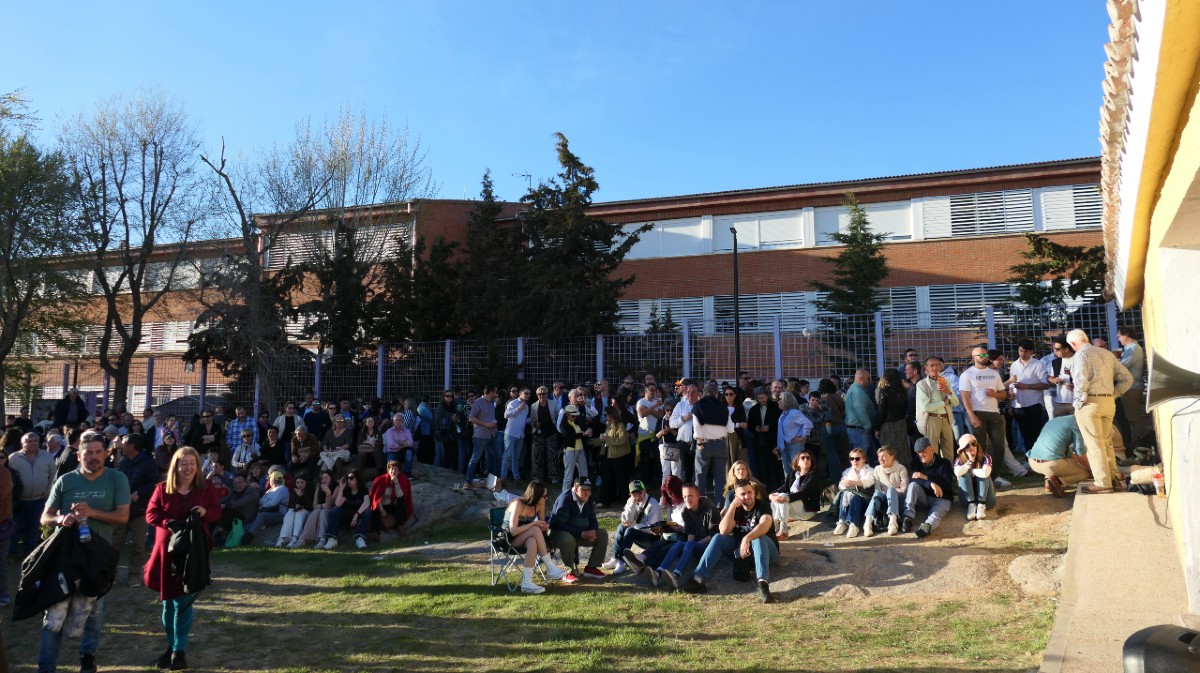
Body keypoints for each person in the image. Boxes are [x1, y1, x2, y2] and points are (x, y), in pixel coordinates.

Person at [38, 430, 131, 673]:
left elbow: (122, 516)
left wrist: (91, 512)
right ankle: (46, 667)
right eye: (88, 453)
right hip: (65, 557)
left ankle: (87, 658)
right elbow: (45, 516)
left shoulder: (117, 479)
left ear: (106, 454)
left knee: (95, 611)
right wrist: (61, 519)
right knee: (54, 613)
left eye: (98, 452)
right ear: (79, 455)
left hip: (99, 557)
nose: (93, 457)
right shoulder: (66, 480)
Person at [143, 446, 221, 671]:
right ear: (175, 466)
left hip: (192, 553)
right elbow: (151, 513)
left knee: (183, 603)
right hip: (165, 552)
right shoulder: (162, 489)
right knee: (168, 603)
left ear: (197, 466)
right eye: (183, 463)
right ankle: (171, 646)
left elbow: (216, 511)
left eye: (192, 463)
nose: (188, 467)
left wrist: (205, 513)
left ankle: (179, 650)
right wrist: (167, 522)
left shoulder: (205, 489)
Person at [682, 479, 779, 603]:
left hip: (767, 550)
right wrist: (732, 506)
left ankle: (763, 585)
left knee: (758, 539)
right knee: (718, 537)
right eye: (743, 494)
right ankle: (698, 579)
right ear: (736, 496)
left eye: (749, 492)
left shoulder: (763, 506)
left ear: (754, 492)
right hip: (743, 552)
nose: (747, 496)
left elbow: (765, 524)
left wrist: (747, 538)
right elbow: (723, 531)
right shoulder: (735, 509)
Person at [1066, 329, 1134, 494]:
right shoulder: (1107, 353)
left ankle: (1103, 483)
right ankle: (1115, 477)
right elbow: (1127, 378)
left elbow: (1080, 381)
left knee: (1094, 444)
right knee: (1107, 442)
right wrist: (1113, 395)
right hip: (1108, 401)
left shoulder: (1079, 356)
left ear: (1073, 344)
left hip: (1089, 403)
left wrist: (1078, 403)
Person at [504, 481, 569, 593]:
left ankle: (527, 583)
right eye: (544, 496)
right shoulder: (517, 504)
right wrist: (534, 524)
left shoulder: (539, 505)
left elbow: (541, 524)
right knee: (534, 529)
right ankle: (550, 567)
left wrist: (544, 526)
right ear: (536, 496)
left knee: (532, 541)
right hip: (509, 540)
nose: (546, 498)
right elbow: (513, 531)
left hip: (526, 537)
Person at [654, 481, 720, 590]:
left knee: (689, 545)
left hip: (709, 547)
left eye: (690, 496)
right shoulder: (686, 511)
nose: (687, 500)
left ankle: (676, 575)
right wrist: (689, 545)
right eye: (684, 497)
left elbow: (714, 536)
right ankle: (658, 572)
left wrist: (692, 545)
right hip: (695, 544)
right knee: (680, 544)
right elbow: (690, 534)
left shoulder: (711, 510)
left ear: (698, 496)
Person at [114, 434, 157, 588]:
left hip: (139, 510)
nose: (121, 446)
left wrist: (139, 493)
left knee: (139, 545)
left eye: (124, 443)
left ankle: (133, 575)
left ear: (132, 446)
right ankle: (110, 574)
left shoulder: (148, 463)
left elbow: (155, 483)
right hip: (121, 509)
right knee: (115, 544)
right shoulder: (124, 462)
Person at [548, 476, 608, 581]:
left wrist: (593, 531)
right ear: (576, 488)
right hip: (559, 535)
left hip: (580, 534)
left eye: (589, 490)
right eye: (584, 489)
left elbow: (593, 519)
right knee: (567, 539)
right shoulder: (566, 499)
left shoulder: (588, 499)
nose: (587, 493)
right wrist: (581, 533)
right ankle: (568, 572)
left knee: (602, 534)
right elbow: (559, 524)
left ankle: (591, 568)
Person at [9, 431, 57, 562]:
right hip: (19, 501)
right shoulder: (13, 458)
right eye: (29, 441)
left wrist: (49, 490)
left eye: (35, 441)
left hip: (38, 500)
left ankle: (29, 553)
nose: (32, 444)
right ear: (22, 443)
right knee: (16, 528)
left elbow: (53, 475)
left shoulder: (46, 456)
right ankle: (12, 553)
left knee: (33, 527)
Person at [605, 480, 664, 574]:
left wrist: (633, 526)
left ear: (645, 491)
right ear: (630, 494)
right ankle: (615, 558)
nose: (638, 496)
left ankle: (622, 562)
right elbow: (626, 520)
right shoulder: (631, 501)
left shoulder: (653, 504)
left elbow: (651, 527)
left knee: (630, 531)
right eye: (634, 494)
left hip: (653, 538)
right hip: (639, 532)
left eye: (640, 493)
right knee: (621, 527)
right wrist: (632, 504)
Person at [1027, 414, 1091, 497]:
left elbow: (1066, 451)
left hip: (1032, 462)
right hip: (1051, 465)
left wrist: (1075, 460)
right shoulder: (1077, 425)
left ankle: (1048, 480)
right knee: (1086, 473)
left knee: (1065, 462)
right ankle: (1058, 481)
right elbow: (1080, 454)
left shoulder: (1055, 421)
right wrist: (1090, 469)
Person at [904, 438, 955, 539]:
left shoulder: (944, 463)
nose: (921, 455)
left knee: (936, 514)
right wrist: (930, 483)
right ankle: (907, 518)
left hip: (942, 498)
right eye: (919, 452)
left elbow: (946, 484)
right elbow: (914, 480)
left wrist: (926, 477)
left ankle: (927, 527)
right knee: (912, 485)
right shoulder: (915, 462)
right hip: (925, 497)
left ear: (932, 449)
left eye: (923, 451)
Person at [1006, 340, 1051, 450]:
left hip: (1034, 403)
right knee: (1024, 433)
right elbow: (1012, 383)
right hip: (1018, 404)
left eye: (1026, 351)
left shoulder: (1038, 364)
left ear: (1031, 351)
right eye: (1021, 351)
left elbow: (1045, 384)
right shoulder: (1014, 365)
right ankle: (1028, 457)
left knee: (1034, 432)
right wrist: (1011, 404)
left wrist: (1027, 386)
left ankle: (1036, 457)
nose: (1023, 354)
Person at [915, 357, 960, 463]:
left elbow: (956, 402)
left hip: (946, 418)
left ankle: (948, 474)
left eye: (937, 365)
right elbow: (926, 407)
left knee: (948, 449)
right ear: (926, 368)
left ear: (941, 366)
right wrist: (943, 403)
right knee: (932, 449)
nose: (935, 368)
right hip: (931, 419)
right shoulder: (921, 384)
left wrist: (947, 391)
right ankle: (934, 474)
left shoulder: (945, 382)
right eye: (931, 365)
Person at [769, 450, 821, 539]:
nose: (806, 460)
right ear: (798, 462)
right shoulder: (793, 474)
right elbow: (783, 488)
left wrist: (787, 498)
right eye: (803, 458)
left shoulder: (813, 475)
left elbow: (804, 493)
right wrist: (772, 495)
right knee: (777, 496)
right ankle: (775, 526)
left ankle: (784, 530)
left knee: (783, 497)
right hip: (794, 508)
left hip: (808, 510)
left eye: (808, 458)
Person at [1116, 326, 1152, 447]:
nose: (1118, 338)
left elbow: (1121, 367)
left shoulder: (1134, 349)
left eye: (1120, 335)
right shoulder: (1130, 348)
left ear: (1126, 335)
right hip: (1130, 388)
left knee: (1134, 418)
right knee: (1131, 418)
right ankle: (1139, 442)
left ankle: (1141, 444)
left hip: (1132, 388)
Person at [317, 470, 371, 550]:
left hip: (358, 518)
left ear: (357, 479)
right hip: (347, 518)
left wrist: (356, 515)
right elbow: (338, 504)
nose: (349, 480)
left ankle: (360, 538)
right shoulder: (346, 491)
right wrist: (341, 487)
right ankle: (332, 539)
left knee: (367, 511)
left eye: (351, 478)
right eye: (347, 478)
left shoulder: (363, 490)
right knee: (335, 510)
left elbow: (367, 503)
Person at [864, 445, 908, 537]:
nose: (881, 459)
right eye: (879, 457)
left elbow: (904, 490)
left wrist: (891, 491)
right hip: (884, 503)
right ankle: (867, 523)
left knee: (891, 490)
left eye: (883, 456)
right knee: (876, 494)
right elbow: (878, 490)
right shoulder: (877, 469)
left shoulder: (901, 468)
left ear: (892, 456)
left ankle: (893, 522)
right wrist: (896, 489)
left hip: (899, 502)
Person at [833, 448, 875, 538]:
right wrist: (846, 484)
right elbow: (841, 484)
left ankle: (854, 524)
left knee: (856, 497)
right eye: (852, 459)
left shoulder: (869, 470)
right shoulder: (847, 471)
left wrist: (853, 482)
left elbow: (868, 482)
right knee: (844, 494)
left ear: (864, 459)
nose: (854, 461)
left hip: (866, 500)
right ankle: (842, 521)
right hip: (849, 497)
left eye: (857, 458)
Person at [953, 434, 996, 521]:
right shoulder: (959, 460)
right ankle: (972, 504)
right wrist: (969, 462)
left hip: (987, 500)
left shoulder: (986, 457)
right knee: (963, 473)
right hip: (967, 501)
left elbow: (985, 473)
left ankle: (981, 504)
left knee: (984, 473)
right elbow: (957, 472)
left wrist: (972, 471)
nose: (971, 447)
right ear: (963, 449)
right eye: (967, 445)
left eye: (973, 443)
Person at [463, 386, 499, 488]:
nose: (496, 394)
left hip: (492, 435)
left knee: (497, 457)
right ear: (490, 392)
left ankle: (494, 481)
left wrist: (493, 426)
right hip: (480, 436)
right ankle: (468, 481)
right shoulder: (478, 402)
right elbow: (471, 418)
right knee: (475, 458)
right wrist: (486, 424)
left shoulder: (492, 403)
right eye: (495, 392)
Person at [775, 391, 814, 485]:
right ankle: (789, 489)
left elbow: (808, 423)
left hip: (795, 446)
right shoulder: (784, 413)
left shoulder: (794, 413)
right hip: (785, 446)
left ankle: (800, 490)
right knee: (788, 471)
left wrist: (802, 437)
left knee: (797, 470)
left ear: (786, 400)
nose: (778, 401)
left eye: (780, 399)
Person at [368, 460, 413, 538]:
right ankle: (375, 531)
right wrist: (381, 509)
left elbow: (401, 496)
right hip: (382, 505)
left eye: (396, 469)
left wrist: (396, 482)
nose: (393, 471)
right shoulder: (380, 479)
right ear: (388, 470)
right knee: (375, 509)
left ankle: (400, 525)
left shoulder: (403, 479)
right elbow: (376, 498)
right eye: (392, 469)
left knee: (400, 501)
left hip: (393, 505)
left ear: (399, 471)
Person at [244, 471, 288, 544]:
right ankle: (242, 534)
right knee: (255, 518)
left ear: (272, 480)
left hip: (280, 514)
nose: (268, 481)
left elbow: (273, 503)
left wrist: (265, 503)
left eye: (269, 479)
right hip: (270, 513)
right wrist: (267, 502)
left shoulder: (282, 489)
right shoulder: (270, 490)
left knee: (261, 515)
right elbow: (260, 501)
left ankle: (249, 536)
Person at [844, 369, 878, 458]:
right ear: (861, 379)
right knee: (860, 459)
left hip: (858, 429)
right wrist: (867, 427)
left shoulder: (856, 390)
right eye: (868, 378)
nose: (869, 381)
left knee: (864, 458)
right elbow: (861, 411)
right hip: (859, 430)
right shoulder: (858, 392)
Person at [557, 405, 592, 491]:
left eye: (576, 415)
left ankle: (585, 494)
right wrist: (583, 434)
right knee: (568, 476)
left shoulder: (576, 423)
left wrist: (587, 434)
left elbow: (579, 436)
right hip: (570, 451)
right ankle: (564, 496)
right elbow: (570, 437)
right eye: (573, 416)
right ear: (567, 415)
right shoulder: (563, 425)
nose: (575, 417)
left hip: (580, 450)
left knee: (584, 475)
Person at [275, 474, 313, 548]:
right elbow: (290, 505)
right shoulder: (294, 491)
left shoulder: (311, 491)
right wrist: (295, 505)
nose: (299, 485)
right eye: (297, 482)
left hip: (307, 512)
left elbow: (310, 506)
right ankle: (283, 538)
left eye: (302, 482)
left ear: (306, 482)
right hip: (296, 512)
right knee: (290, 512)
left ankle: (295, 538)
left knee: (300, 512)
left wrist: (300, 496)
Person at [501, 388, 531, 481]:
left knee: (516, 458)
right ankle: (503, 477)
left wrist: (532, 420)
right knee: (507, 456)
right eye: (526, 393)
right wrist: (518, 409)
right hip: (511, 433)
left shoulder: (527, 407)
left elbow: (523, 421)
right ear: (520, 394)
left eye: (529, 394)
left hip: (520, 435)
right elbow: (506, 415)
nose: (527, 395)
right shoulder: (513, 403)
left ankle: (516, 478)